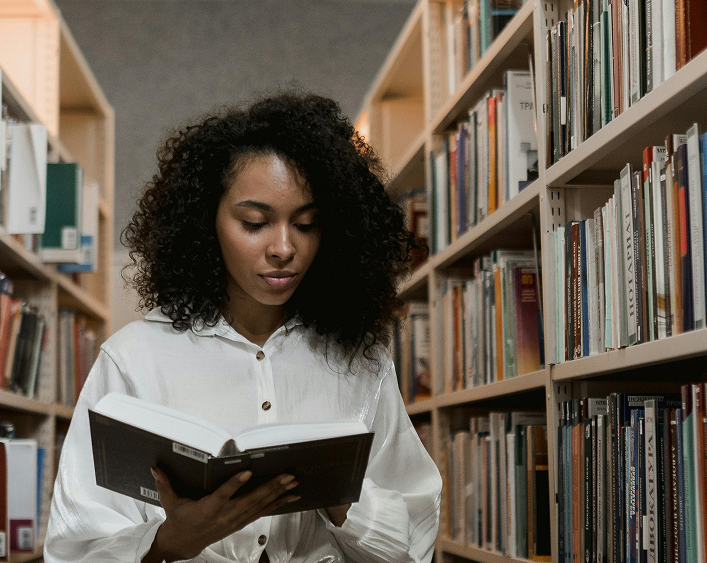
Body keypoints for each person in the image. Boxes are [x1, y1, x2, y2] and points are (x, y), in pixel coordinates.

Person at [44, 91, 443, 563]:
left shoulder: (362, 361)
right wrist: (173, 541)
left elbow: (414, 543)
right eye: (254, 222)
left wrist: (335, 492)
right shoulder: (133, 358)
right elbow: (74, 551)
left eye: (307, 224)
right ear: (205, 221)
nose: (283, 248)